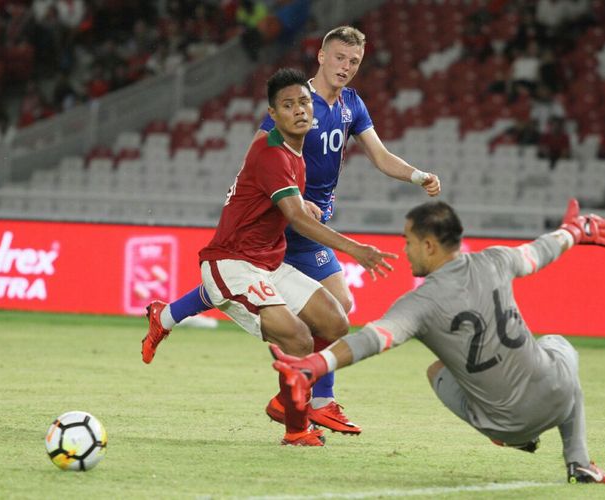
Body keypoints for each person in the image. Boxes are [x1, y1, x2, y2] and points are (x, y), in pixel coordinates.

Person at [141, 26, 441, 435]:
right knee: (304, 301)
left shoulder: (351, 105)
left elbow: (380, 155)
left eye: (354, 62)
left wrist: (417, 176)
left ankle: (170, 315)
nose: (346, 68)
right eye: (339, 58)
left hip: (308, 222)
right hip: (291, 219)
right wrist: (278, 201)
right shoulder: (294, 101)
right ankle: (315, 401)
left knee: (331, 311)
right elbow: (262, 157)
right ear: (321, 56)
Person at [270, 198, 605, 483]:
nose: (405, 251)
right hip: (559, 399)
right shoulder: (497, 259)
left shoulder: (419, 304)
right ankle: (580, 460)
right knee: (558, 346)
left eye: (408, 242)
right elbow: (541, 250)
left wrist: (315, 365)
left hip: (505, 425)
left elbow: (372, 339)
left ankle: (510, 433)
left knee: (437, 370)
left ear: (429, 245)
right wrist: (575, 229)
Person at [184, 67, 396, 446]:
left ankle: (288, 400)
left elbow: (294, 210)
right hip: (233, 263)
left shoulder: (296, 158)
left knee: (334, 321)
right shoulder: (270, 155)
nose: (299, 110)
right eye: (288, 105)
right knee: (298, 337)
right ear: (273, 114)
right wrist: (355, 249)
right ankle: (297, 429)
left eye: (303, 102)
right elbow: (295, 217)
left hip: (267, 262)